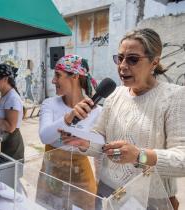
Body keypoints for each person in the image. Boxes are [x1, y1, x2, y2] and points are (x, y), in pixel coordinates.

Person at [63, 28, 185, 210]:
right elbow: (101, 141)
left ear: (154, 62)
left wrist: (139, 156)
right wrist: (83, 142)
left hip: (149, 199)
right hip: (107, 193)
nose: (122, 66)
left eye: (132, 59)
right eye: (119, 58)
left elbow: (182, 160)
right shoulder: (114, 95)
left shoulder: (174, 97)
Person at [38, 54, 101, 210]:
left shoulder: (97, 111)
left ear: (74, 76)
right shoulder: (49, 104)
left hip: (81, 179)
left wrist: (84, 143)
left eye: (58, 75)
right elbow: (45, 137)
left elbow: (100, 149)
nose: (53, 81)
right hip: (50, 175)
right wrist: (68, 118)